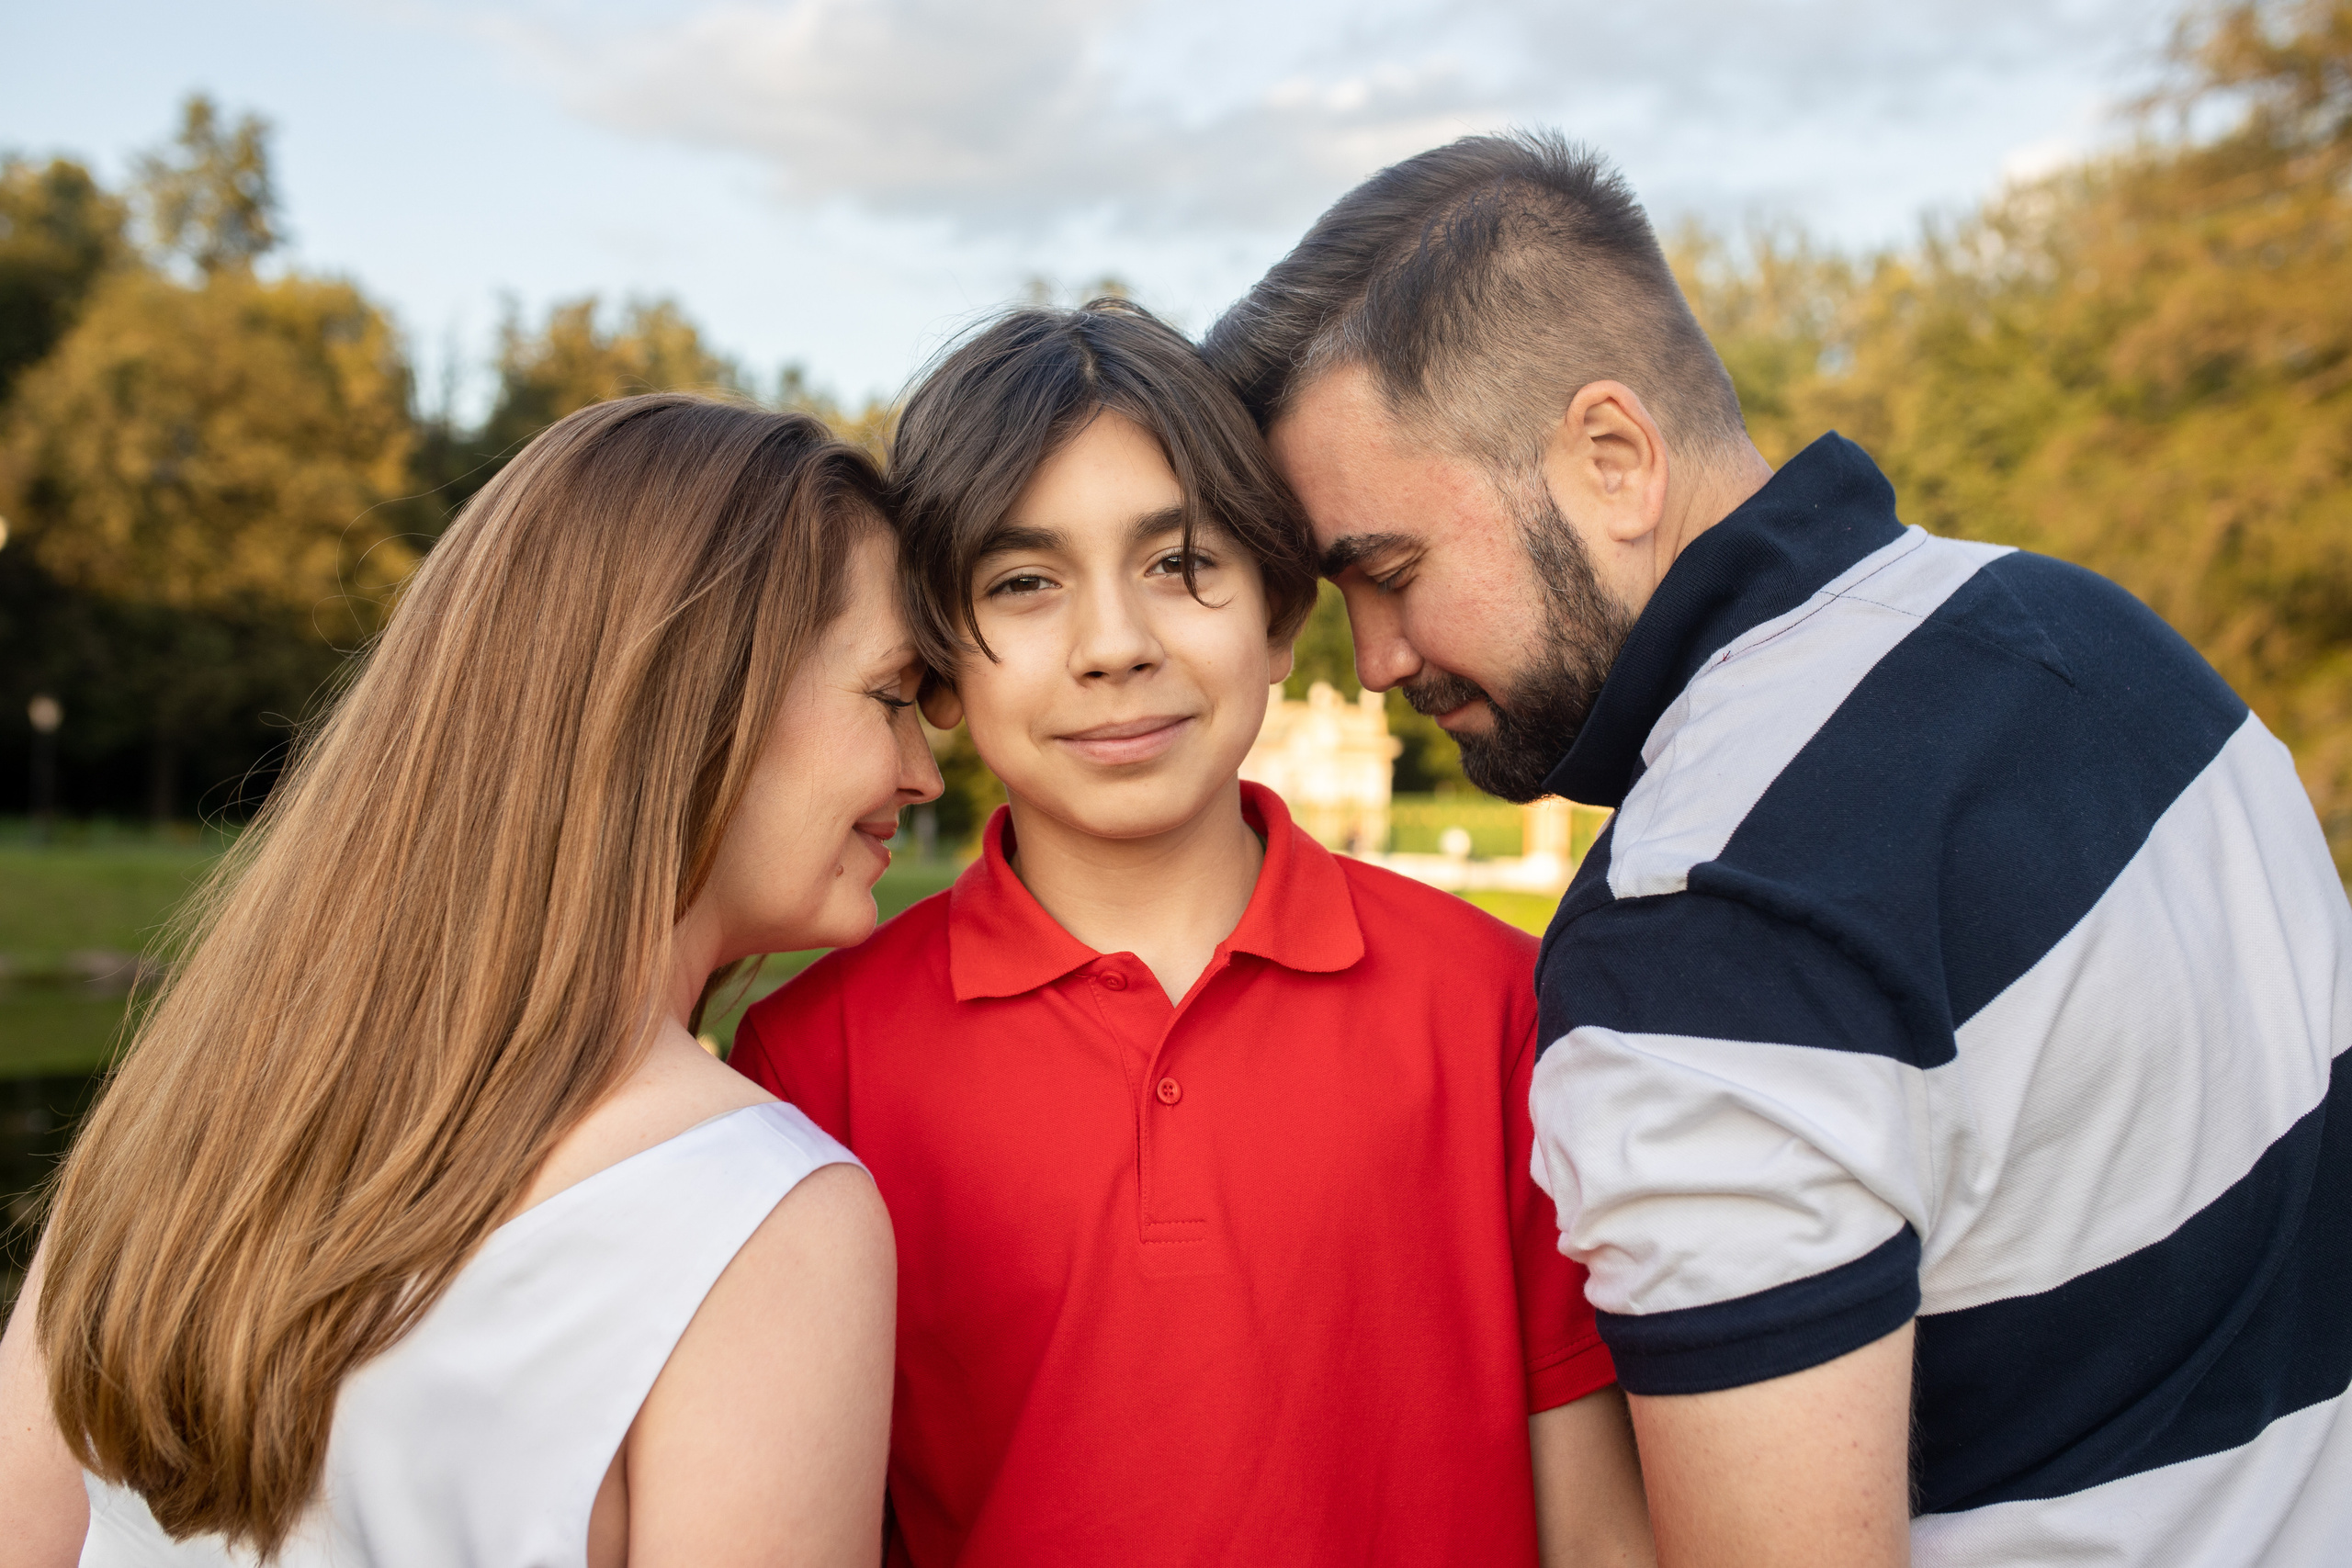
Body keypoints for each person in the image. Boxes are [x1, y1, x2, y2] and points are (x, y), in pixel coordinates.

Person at [1203, 129, 2352, 1566]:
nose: (1373, 659)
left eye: (1389, 571)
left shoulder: (1702, 919)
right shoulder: (2107, 645)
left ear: (1612, 458)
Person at [728, 299, 1656, 1568]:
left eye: (1179, 565)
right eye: (1025, 582)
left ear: (1279, 618)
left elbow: (1596, 1530)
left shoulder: (1500, 1005)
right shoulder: (809, 1062)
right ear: (942, 659)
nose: (1116, 645)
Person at [0, 393, 939, 1566]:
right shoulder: (764, 1215)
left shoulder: (192, 1109)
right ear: (694, 693)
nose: (921, 773)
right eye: (893, 695)